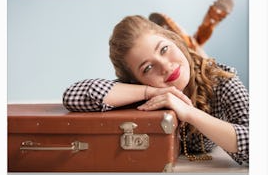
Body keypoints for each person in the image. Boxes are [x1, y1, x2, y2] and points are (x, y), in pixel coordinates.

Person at [63, 15, 249, 165]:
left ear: (174, 40)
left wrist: (190, 113)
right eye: (147, 68)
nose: (166, 67)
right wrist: (149, 92)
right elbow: (73, 96)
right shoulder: (144, 91)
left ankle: (193, 46)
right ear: (135, 80)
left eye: (164, 49)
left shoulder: (220, 80)